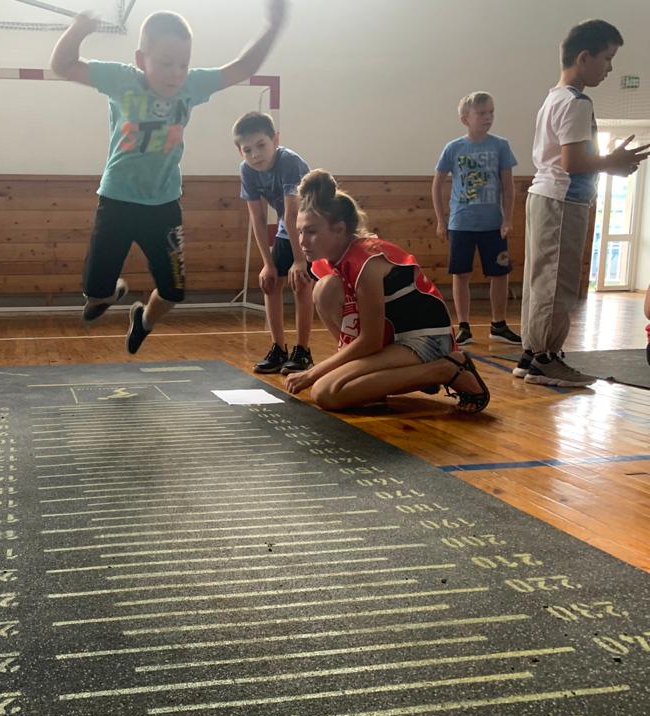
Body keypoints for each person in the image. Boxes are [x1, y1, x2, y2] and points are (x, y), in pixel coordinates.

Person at [50, 1, 288, 354]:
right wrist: (79, 29)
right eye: (165, 63)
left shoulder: (191, 85)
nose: (175, 73)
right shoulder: (121, 79)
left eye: (183, 64)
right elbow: (63, 65)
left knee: (174, 292)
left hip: (163, 206)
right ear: (140, 59)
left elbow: (243, 67)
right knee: (95, 293)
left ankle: (143, 320)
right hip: (117, 200)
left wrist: (272, 27)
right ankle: (107, 294)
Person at [286, 170, 490, 413]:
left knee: (326, 392)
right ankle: (381, 381)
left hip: (428, 340)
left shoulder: (366, 262)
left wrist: (313, 373)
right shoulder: (335, 258)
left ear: (339, 229)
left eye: (311, 231)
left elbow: (370, 341)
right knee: (324, 290)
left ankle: (445, 369)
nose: (302, 241)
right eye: (299, 231)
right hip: (395, 338)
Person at [516, 19, 648, 386]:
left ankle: (531, 354)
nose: (610, 68)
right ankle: (544, 359)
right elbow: (572, 162)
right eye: (608, 58)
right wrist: (612, 162)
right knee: (556, 283)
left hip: (546, 198)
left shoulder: (554, 98)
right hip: (561, 201)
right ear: (584, 57)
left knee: (540, 281)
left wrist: (608, 164)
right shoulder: (576, 102)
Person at [432, 91, 521, 346]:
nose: (487, 117)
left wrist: (507, 219)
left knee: (500, 274)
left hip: (492, 224)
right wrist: (441, 220)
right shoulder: (454, 148)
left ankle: (499, 325)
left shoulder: (500, 145)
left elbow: (508, 186)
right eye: (481, 113)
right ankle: (463, 326)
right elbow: (437, 185)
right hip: (461, 223)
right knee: (461, 274)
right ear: (465, 119)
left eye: (491, 112)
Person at [234, 111, 314, 374]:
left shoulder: (290, 163)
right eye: (248, 150)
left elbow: (293, 214)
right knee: (271, 283)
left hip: (311, 227)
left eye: (261, 145)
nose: (255, 155)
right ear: (240, 151)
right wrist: (267, 263)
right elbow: (257, 218)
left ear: (275, 140)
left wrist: (300, 260)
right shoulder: (247, 170)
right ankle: (278, 349)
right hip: (286, 228)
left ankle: (303, 351)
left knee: (301, 283)